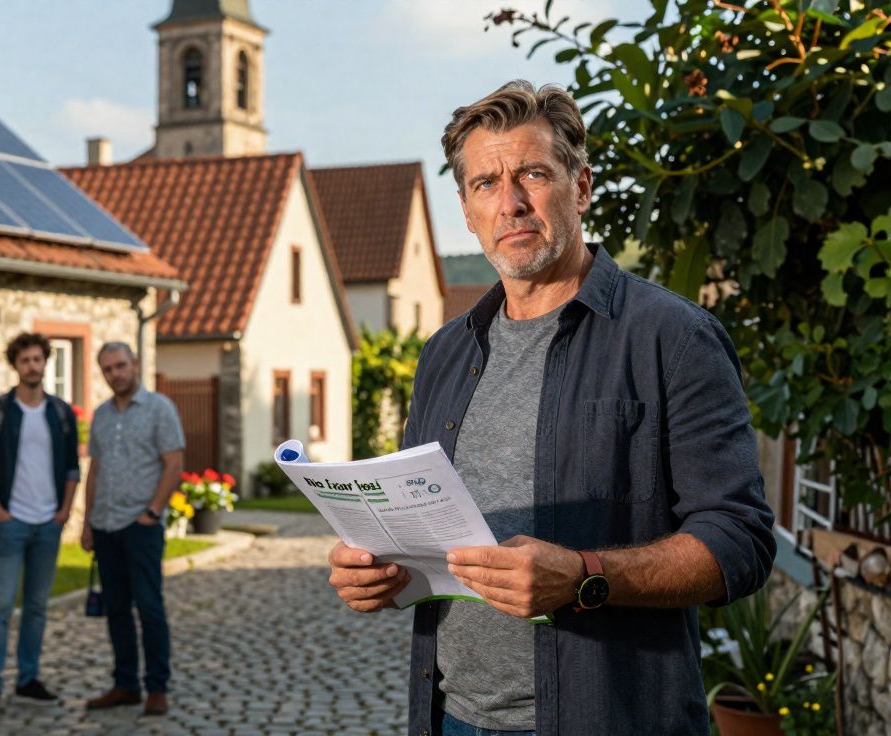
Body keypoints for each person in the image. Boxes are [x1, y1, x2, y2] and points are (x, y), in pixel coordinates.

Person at [326, 80, 776, 736]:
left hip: (610, 718)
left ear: (582, 186)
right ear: (466, 206)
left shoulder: (673, 337)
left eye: (533, 174)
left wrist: (585, 576)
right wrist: (375, 571)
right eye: (485, 184)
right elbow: (421, 527)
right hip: (451, 715)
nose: (510, 203)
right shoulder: (444, 354)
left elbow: (740, 539)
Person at [0, 333, 81, 717]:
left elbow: (72, 467)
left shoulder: (61, 413)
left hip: (47, 523)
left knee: (36, 607)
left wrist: (64, 511)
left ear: (45, 362)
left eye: (38, 359)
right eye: (25, 360)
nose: (32, 366)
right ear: (15, 365)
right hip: (9, 523)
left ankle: (28, 679)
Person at [80, 341, 185, 717]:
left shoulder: (160, 408)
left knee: (149, 606)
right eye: (108, 369)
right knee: (116, 609)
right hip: (105, 525)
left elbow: (173, 463)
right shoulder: (101, 415)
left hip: (140, 525)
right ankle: (125, 684)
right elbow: (95, 469)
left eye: (121, 366)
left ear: (135, 364)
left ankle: (157, 687)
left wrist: (153, 512)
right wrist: (88, 520)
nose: (115, 374)